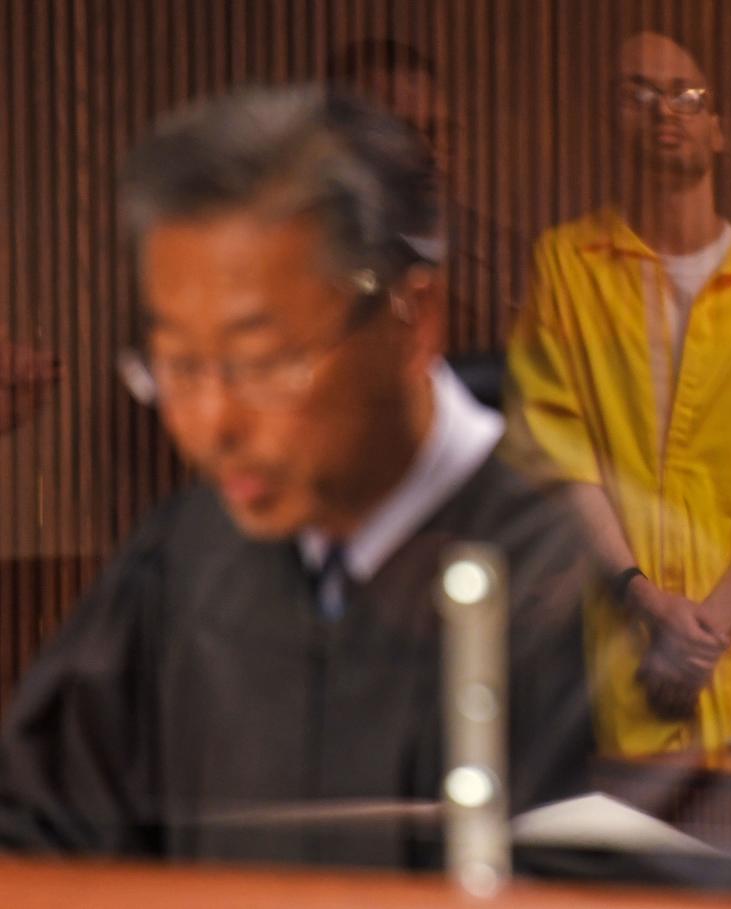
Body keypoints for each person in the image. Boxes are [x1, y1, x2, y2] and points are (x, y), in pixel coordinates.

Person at [0, 86, 594, 866]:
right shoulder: (182, 560)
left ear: (415, 321)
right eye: (177, 366)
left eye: (264, 363)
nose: (214, 423)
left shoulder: (564, 575)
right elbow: (36, 829)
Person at [503, 32, 731, 755]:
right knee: (621, 862)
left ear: (718, 129)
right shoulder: (567, 267)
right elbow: (554, 449)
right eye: (638, 92)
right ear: (610, 123)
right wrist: (642, 596)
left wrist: (700, 632)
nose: (667, 109)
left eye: (688, 95)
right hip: (608, 679)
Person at [326, 38, 528, 346]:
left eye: (438, 131)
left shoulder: (510, 261)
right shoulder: (300, 257)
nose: (429, 153)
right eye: (405, 133)